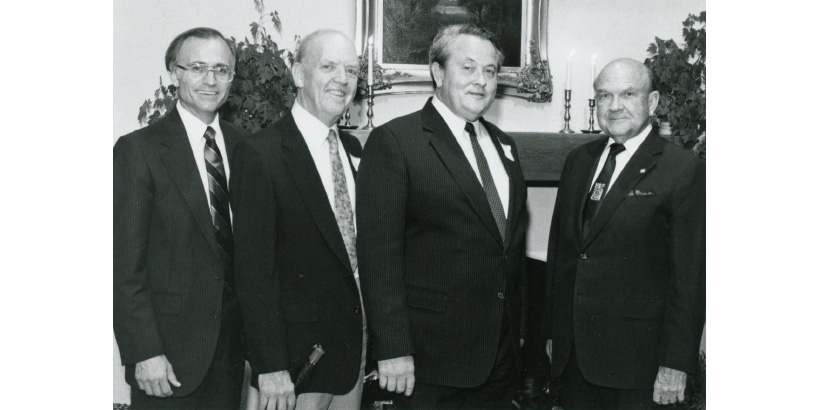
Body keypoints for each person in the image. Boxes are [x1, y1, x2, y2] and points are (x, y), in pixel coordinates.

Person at [357, 24, 529, 410]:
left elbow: (507, 248)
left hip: (499, 362)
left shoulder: (505, 145)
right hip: (427, 364)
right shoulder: (397, 142)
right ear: (438, 73)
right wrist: (393, 349)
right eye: (468, 68)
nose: (481, 81)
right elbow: (378, 258)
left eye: (490, 71)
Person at [542, 58, 705, 409]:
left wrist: (676, 363)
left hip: (639, 366)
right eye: (604, 95)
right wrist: (554, 332)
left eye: (628, 94)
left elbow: (690, 278)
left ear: (653, 102)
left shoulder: (682, 170)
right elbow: (561, 253)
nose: (614, 106)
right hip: (575, 361)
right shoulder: (579, 161)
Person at [230, 29, 366, 410]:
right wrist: (269, 367)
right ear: (298, 74)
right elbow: (254, 273)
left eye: (352, 71)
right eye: (328, 66)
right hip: (293, 364)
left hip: (351, 353)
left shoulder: (353, 151)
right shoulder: (261, 154)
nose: (343, 79)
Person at [113, 27, 248, 409]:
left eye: (221, 70)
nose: (210, 80)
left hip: (230, 356)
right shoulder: (139, 151)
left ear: (232, 79)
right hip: (166, 361)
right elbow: (124, 266)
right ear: (175, 72)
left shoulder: (246, 148)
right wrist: (144, 352)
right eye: (198, 67)